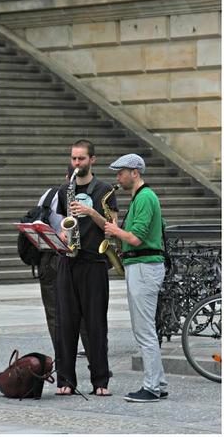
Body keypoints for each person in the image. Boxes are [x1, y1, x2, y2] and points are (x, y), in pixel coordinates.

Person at [55, 140, 118, 396]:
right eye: (74, 159)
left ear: (92, 159)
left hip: (94, 262)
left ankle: (100, 381)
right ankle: (66, 381)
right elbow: (62, 222)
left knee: (95, 324)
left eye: (81, 159)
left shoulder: (104, 190)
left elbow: (113, 226)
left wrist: (91, 212)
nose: (77, 164)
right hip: (68, 261)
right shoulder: (64, 189)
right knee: (65, 324)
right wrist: (61, 233)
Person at [104, 153, 168, 403]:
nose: (117, 177)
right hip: (140, 266)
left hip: (144, 266)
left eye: (121, 172)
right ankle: (159, 383)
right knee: (146, 329)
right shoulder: (141, 197)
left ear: (135, 172)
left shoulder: (145, 198)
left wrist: (114, 230)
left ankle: (151, 387)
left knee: (144, 331)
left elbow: (136, 238)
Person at [37, 167, 90, 357]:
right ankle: (82, 357)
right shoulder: (80, 196)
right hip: (60, 257)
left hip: (56, 257)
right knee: (82, 311)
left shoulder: (49, 194)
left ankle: (63, 357)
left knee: (57, 313)